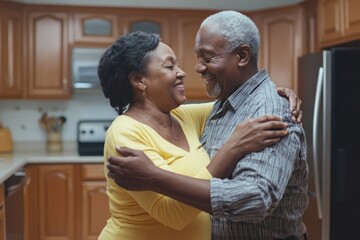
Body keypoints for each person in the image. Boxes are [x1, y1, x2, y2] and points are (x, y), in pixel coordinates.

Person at [107, 10, 308, 240]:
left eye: (208, 57)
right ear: (139, 80)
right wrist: (233, 147)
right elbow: (172, 212)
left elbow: (256, 199)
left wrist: (277, 95)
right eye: (170, 66)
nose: (192, 69)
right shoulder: (126, 131)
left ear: (242, 56)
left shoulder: (257, 111)